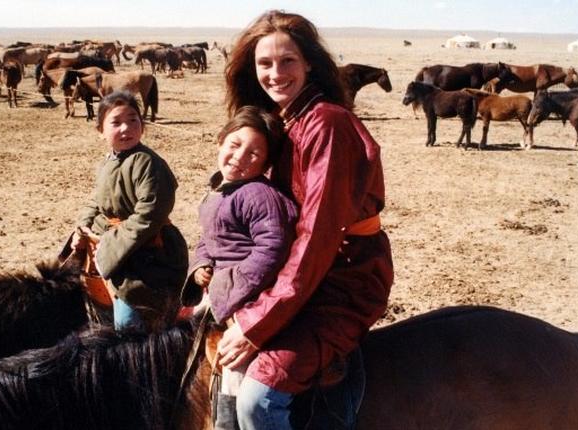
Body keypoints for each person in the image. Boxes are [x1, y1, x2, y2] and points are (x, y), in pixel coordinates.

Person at [217, 10, 395, 429]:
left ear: (310, 62)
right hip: (298, 274)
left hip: (342, 279)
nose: (276, 74)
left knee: (258, 400)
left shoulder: (327, 125)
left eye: (288, 61)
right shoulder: (283, 123)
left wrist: (256, 326)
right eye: (265, 63)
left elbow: (317, 237)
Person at [180, 105, 298, 429]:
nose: (239, 157)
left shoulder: (259, 195)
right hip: (221, 290)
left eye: (253, 153)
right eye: (234, 145)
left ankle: (228, 423)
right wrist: (200, 265)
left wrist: (228, 290)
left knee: (234, 363)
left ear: (265, 163)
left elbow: (271, 251)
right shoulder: (219, 189)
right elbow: (209, 239)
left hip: (249, 297)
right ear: (221, 141)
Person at [71, 90, 188, 333]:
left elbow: (150, 214)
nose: (126, 128)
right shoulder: (108, 162)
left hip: (148, 252)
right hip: (115, 245)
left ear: (142, 126)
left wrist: (109, 246)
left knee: (129, 321)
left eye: (133, 120)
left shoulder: (148, 163)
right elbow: (97, 198)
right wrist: (82, 226)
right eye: (116, 122)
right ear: (100, 131)